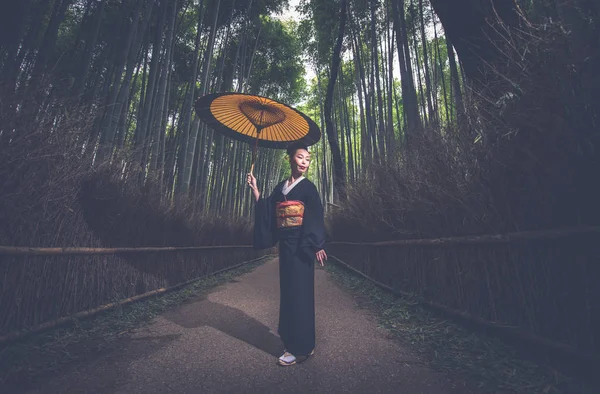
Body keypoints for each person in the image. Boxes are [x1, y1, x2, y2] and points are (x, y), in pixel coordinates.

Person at [247, 141, 327, 366]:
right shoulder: (281, 187)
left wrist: (317, 244)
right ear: (289, 158)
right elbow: (269, 210)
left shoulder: (308, 187)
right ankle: (298, 343)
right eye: (301, 157)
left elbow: (315, 215)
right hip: (286, 247)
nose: (305, 162)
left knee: (301, 294)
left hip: (302, 246)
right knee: (289, 293)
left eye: (308, 159)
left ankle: (299, 348)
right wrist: (256, 190)